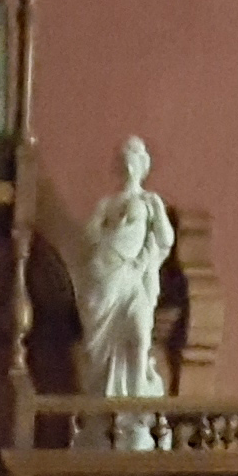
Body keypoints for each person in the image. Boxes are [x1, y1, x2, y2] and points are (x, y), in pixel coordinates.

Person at [76, 134, 176, 413]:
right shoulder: (107, 203)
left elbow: (166, 237)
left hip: (133, 276)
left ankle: (136, 405)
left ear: (143, 165)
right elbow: (88, 237)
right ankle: (106, 403)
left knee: (140, 331)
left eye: (133, 159)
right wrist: (110, 227)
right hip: (105, 274)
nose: (128, 165)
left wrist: (146, 258)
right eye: (123, 161)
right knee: (101, 348)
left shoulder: (150, 201)